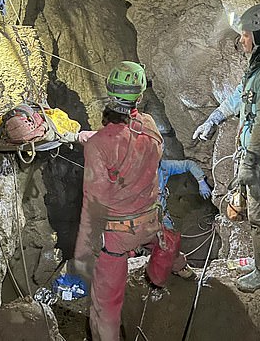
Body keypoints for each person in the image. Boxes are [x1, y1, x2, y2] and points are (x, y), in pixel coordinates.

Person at [192, 4, 260, 293]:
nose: (241, 40)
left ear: (259, 35)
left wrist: (249, 162)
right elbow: (241, 98)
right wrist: (212, 119)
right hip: (256, 154)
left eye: (245, 34)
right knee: (259, 212)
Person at [72, 61, 180, 341]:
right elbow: (127, 140)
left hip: (118, 239)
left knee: (105, 306)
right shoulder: (149, 125)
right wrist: (88, 138)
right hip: (150, 222)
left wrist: (83, 254)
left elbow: (93, 205)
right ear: (140, 96)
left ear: (110, 92)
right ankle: (161, 275)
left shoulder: (100, 146)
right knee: (164, 240)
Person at [158, 159, 211, 280]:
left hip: (161, 215)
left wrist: (201, 181)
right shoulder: (135, 169)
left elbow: (188, 165)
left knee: (171, 243)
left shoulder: (164, 167)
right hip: (141, 216)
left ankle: (177, 267)